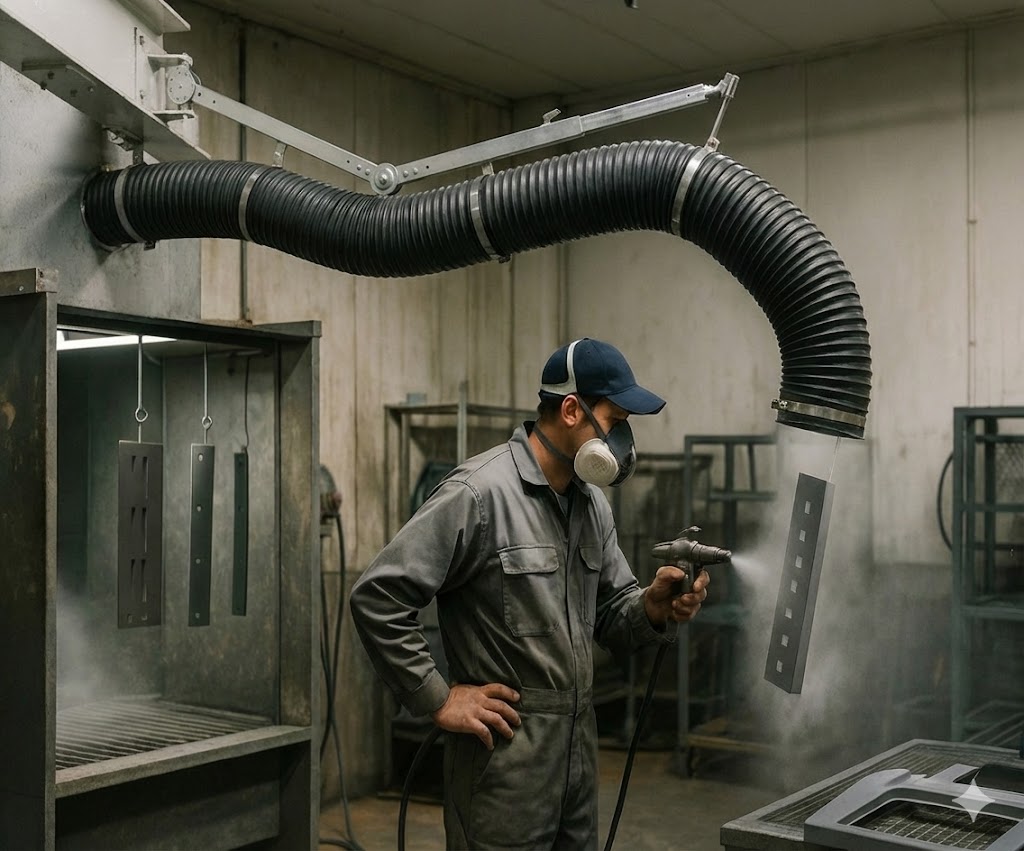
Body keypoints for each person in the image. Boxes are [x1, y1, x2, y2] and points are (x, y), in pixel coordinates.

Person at [350, 338, 710, 850]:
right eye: (616, 421)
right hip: (503, 765)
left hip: (577, 762)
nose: (623, 440)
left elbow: (611, 613)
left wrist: (651, 606)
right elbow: (378, 597)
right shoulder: (478, 494)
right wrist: (435, 696)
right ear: (570, 410)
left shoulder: (592, 507)